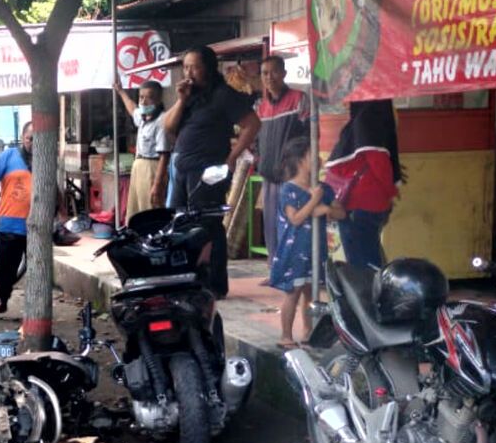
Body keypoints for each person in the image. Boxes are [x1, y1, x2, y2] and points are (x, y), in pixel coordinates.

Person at [161, 45, 260, 298]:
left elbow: (252, 124)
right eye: (185, 67)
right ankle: (189, 278)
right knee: (181, 224)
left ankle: (215, 283)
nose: (189, 72)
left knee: (208, 225)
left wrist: (231, 158)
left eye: (194, 66)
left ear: (208, 67)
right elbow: (169, 127)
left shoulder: (223, 94)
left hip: (208, 170)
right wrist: (181, 99)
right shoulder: (190, 96)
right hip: (182, 169)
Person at [269, 135, 345, 349]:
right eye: (314, 154)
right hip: (293, 251)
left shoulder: (324, 189)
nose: (319, 159)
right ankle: (285, 335)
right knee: (292, 293)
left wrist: (327, 209)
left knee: (310, 294)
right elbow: (295, 218)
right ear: (301, 160)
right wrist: (314, 202)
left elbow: (342, 213)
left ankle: (308, 331)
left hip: (314, 250)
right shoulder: (288, 190)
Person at [326, 100, 401, 270]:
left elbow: (378, 162)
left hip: (359, 204)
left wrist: (390, 192)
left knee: (362, 264)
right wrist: (391, 194)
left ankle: (368, 295)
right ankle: (373, 293)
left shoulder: (365, 119)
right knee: (369, 256)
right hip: (369, 204)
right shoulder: (374, 119)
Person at [254, 55, 312, 264]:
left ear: (284, 73)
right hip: (269, 175)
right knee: (271, 225)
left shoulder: (299, 99)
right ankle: (275, 269)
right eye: (265, 73)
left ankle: (292, 271)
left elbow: (311, 136)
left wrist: (300, 168)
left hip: (292, 177)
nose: (270, 77)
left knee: (290, 224)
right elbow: (256, 139)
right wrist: (258, 161)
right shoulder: (260, 106)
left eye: (274, 72)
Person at [0, 121, 33, 319]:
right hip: (10, 225)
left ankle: (34, 315)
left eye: (37, 140)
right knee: (4, 272)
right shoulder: (8, 156)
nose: (33, 144)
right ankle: (1, 304)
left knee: (38, 273)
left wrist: (61, 212)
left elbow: (53, 186)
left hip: (36, 227)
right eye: (29, 139)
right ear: (22, 137)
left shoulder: (44, 159)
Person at [114, 79, 171, 220]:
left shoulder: (162, 121)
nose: (144, 102)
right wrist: (121, 91)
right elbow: (133, 108)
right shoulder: (144, 116)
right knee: (135, 210)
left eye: (149, 97)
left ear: (158, 99)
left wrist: (157, 184)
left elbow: (164, 155)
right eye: (141, 97)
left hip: (152, 168)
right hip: (138, 166)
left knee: (149, 209)